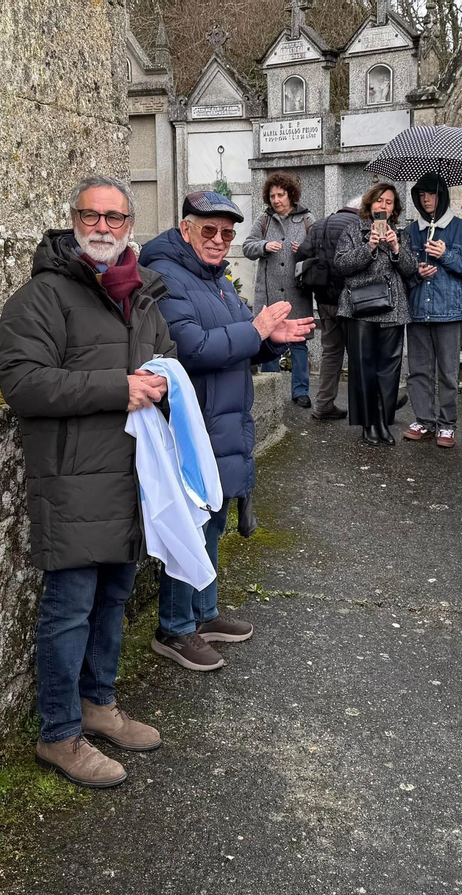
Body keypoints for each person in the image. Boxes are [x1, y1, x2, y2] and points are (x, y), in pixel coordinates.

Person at [0, 175, 174, 788]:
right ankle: (59, 734)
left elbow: (164, 362)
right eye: (91, 216)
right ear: (73, 220)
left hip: (131, 475)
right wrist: (116, 388)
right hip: (74, 475)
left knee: (114, 599)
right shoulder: (42, 296)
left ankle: (99, 706)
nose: (102, 227)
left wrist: (165, 386)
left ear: (130, 225)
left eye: (115, 218)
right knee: (69, 608)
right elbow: (22, 384)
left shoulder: (143, 294)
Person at [140, 191, 314, 672]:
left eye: (228, 233)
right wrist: (256, 329)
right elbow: (190, 347)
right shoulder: (166, 275)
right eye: (209, 230)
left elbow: (238, 341)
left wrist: (267, 340)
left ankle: (204, 613)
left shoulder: (214, 279)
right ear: (185, 228)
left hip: (221, 416)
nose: (220, 241)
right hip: (192, 421)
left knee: (213, 516)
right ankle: (175, 628)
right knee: (191, 523)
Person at [335, 183, 420, 446]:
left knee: (389, 370)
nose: (384, 206)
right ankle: (367, 425)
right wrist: (369, 247)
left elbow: (410, 270)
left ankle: (383, 422)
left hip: (393, 309)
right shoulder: (353, 230)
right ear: (370, 204)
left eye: (390, 202)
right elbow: (341, 265)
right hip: (361, 308)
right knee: (363, 369)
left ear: (395, 208)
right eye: (380, 201)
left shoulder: (401, 235)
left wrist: (396, 248)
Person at [402, 173, 462, 448]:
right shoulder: (411, 232)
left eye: (431, 194)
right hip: (417, 311)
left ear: (443, 195)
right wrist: (417, 273)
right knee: (418, 371)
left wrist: (445, 254)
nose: (426, 200)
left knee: (448, 372)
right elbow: (401, 272)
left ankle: (447, 425)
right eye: (421, 195)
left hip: (448, 312)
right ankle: (424, 420)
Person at [243, 172, 316, 407]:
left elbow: (319, 250)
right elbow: (247, 247)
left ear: (290, 194)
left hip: (298, 292)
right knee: (268, 340)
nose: (276, 200)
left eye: (280, 195)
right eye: (272, 195)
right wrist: (264, 245)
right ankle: (271, 391)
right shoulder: (264, 220)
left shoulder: (307, 219)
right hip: (269, 291)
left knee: (298, 342)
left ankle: (301, 391)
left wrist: (303, 249)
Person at [297, 196, 361, 420]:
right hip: (354, 301)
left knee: (331, 353)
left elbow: (302, 255)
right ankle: (367, 410)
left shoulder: (321, 224)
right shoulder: (359, 224)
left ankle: (323, 404)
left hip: (324, 299)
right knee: (360, 355)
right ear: (361, 208)